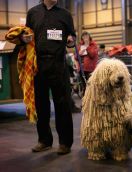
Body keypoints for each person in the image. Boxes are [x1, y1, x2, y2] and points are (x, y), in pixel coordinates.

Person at [22, 0, 77, 155]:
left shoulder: (65, 14)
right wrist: (23, 39)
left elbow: (72, 36)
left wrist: (71, 40)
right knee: (41, 104)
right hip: (38, 65)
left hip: (58, 64)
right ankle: (44, 140)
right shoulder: (32, 13)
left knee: (63, 104)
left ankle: (65, 143)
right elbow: (26, 35)